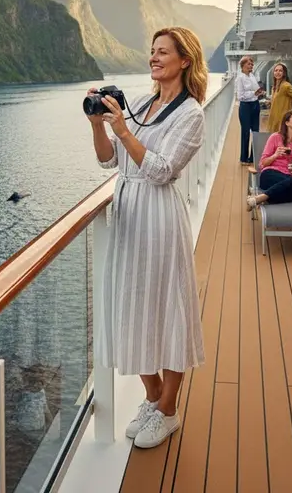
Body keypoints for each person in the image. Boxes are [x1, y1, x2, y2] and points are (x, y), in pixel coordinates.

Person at [87, 26, 207, 449]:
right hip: (128, 213)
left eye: (163, 52)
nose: (153, 57)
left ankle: (168, 410)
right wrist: (98, 125)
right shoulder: (139, 103)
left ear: (184, 60)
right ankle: (153, 396)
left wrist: (123, 131)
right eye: (152, 51)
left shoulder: (191, 114)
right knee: (131, 306)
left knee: (168, 309)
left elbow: (161, 170)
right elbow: (108, 161)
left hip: (158, 215)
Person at [246, 110, 292, 210]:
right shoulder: (275, 137)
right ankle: (263, 198)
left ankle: (260, 198)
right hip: (270, 174)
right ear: (287, 123)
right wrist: (275, 155)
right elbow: (262, 163)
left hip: (289, 177)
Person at [235, 56, 263, 164]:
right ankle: (243, 158)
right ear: (243, 65)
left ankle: (253, 157)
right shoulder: (240, 78)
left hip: (255, 105)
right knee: (246, 132)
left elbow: (255, 90)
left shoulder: (252, 76)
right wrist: (253, 93)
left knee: (255, 131)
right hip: (245, 107)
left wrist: (259, 92)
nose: (251, 66)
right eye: (249, 64)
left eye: (252, 64)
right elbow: (240, 96)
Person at [267, 62, 292, 133]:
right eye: (276, 70)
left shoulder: (286, 86)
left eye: (280, 71)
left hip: (282, 119)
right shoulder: (274, 87)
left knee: (282, 136)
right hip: (273, 118)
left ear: (284, 73)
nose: (278, 72)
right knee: (273, 136)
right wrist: (270, 102)